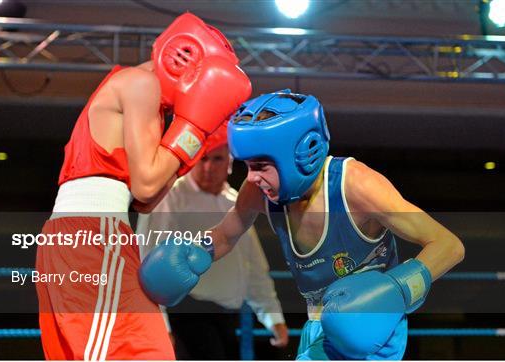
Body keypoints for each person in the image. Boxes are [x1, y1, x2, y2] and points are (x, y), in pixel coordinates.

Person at [139, 89, 465, 360]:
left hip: (371, 332)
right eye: (248, 166)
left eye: (262, 165)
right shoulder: (260, 189)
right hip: (319, 327)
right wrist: (195, 253)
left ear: (301, 154)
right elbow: (227, 233)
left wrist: (396, 289)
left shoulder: (355, 185)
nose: (251, 177)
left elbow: (448, 246)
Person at [35, 13, 251, 360]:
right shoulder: (140, 83)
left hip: (93, 233)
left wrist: (196, 135)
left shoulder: (147, 99)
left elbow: (144, 200)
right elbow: (148, 186)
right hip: (93, 235)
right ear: (183, 59)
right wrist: (195, 128)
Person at [136, 124, 289, 359]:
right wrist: (160, 325)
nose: (208, 167)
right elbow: (149, 261)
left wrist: (273, 317)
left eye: (216, 159)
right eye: (203, 159)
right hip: (186, 314)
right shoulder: (170, 196)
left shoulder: (236, 201)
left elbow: (253, 266)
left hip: (226, 316)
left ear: (229, 161)